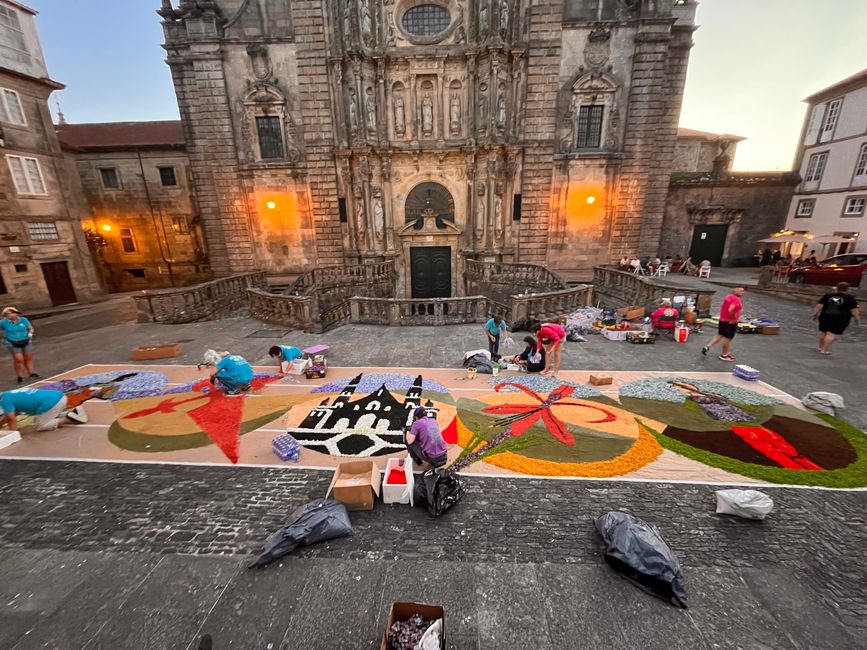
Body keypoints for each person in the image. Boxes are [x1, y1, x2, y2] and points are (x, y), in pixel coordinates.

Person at [814, 282, 860, 355]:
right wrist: (857, 319)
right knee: (831, 334)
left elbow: (819, 305)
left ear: (836, 287)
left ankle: (820, 347)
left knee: (824, 332)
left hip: (825, 316)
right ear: (847, 289)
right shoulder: (850, 298)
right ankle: (824, 350)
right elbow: (854, 310)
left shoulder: (828, 295)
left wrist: (815, 314)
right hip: (840, 318)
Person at [702, 287, 745, 361]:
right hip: (729, 322)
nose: (742, 293)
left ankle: (707, 346)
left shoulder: (728, 297)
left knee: (720, 334)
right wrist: (733, 319)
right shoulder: (736, 300)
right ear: (735, 291)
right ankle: (724, 355)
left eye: (743, 291)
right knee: (727, 339)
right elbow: (730, 309)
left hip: (722, 320)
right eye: (740, 291)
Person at [1, 387, 69, 431]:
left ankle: (68, 419)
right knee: (50, 415)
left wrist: (13, 433)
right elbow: (12, 414)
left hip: (52, 403)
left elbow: (11, 419)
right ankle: (71, 413)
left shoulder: (5, 400)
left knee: (41, 426)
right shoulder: (9, 394)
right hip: (60, 397)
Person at [1, 307, 37, 384]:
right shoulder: (3, 322)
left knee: (28, 357)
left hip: (25, 340)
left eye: (14, 313)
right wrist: (3, 337)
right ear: (6, 315)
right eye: (10, 313)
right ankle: (20, 376)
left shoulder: (23, 320)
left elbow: (30, 328)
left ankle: (32, 373)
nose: (13, 315)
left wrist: (30, 333)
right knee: (19, 359)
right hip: (12, 342)